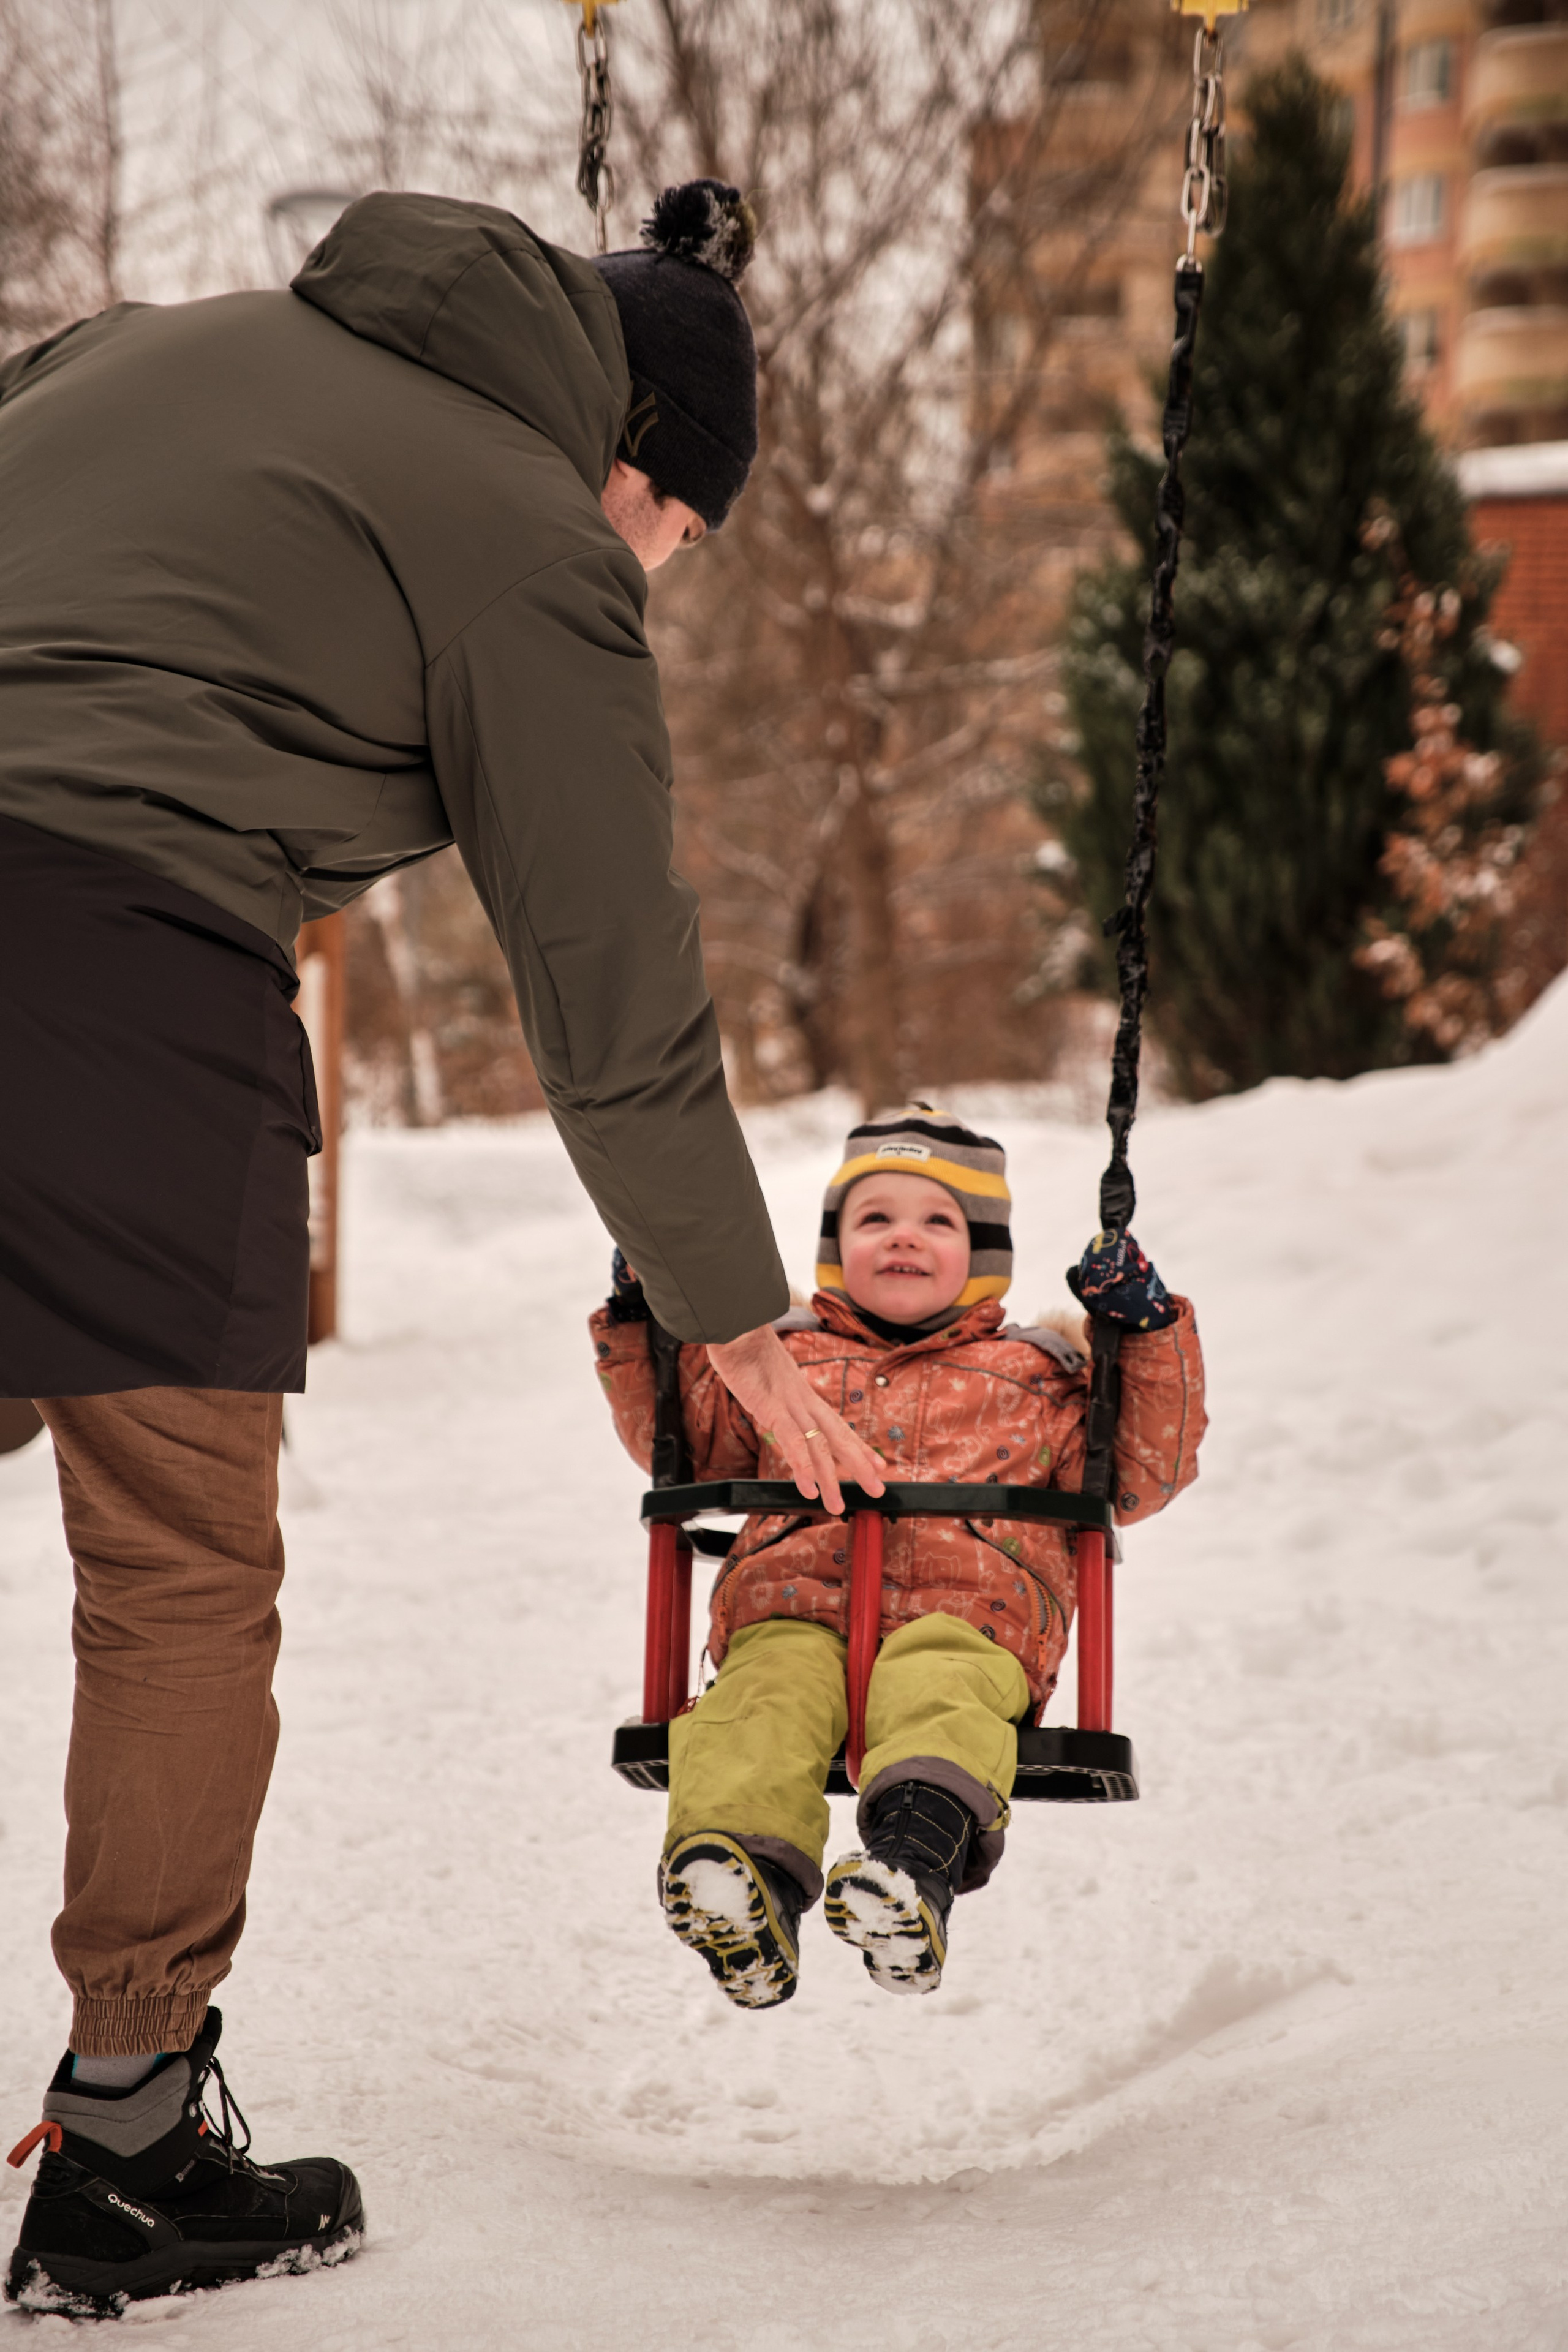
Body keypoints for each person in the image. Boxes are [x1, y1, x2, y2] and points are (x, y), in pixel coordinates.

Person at [0, 179, 882, 2316]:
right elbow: (608, 976)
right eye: (680, 534)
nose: (658, 575)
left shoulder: (146, 345)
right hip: (118, 958)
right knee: (177, 1559)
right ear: (634, 462)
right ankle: (125, 2153)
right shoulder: (527, 530)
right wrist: (743, 1322)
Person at [591, 1108, 1207, 2008]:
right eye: (874, 1219)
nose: (904, 1237)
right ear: (836, 1245)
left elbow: (1143, 1474)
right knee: (752, 1708)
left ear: (982, 1255)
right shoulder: (777, 1357)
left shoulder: (1040, 1373)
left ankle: (910, 1874)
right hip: (793, 1611)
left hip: (972, 1620)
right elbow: (691, 1443)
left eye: (938, 1221)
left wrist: (1143, 1333)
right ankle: (744, 1891)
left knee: (941, 1695)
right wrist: (649, 1318)